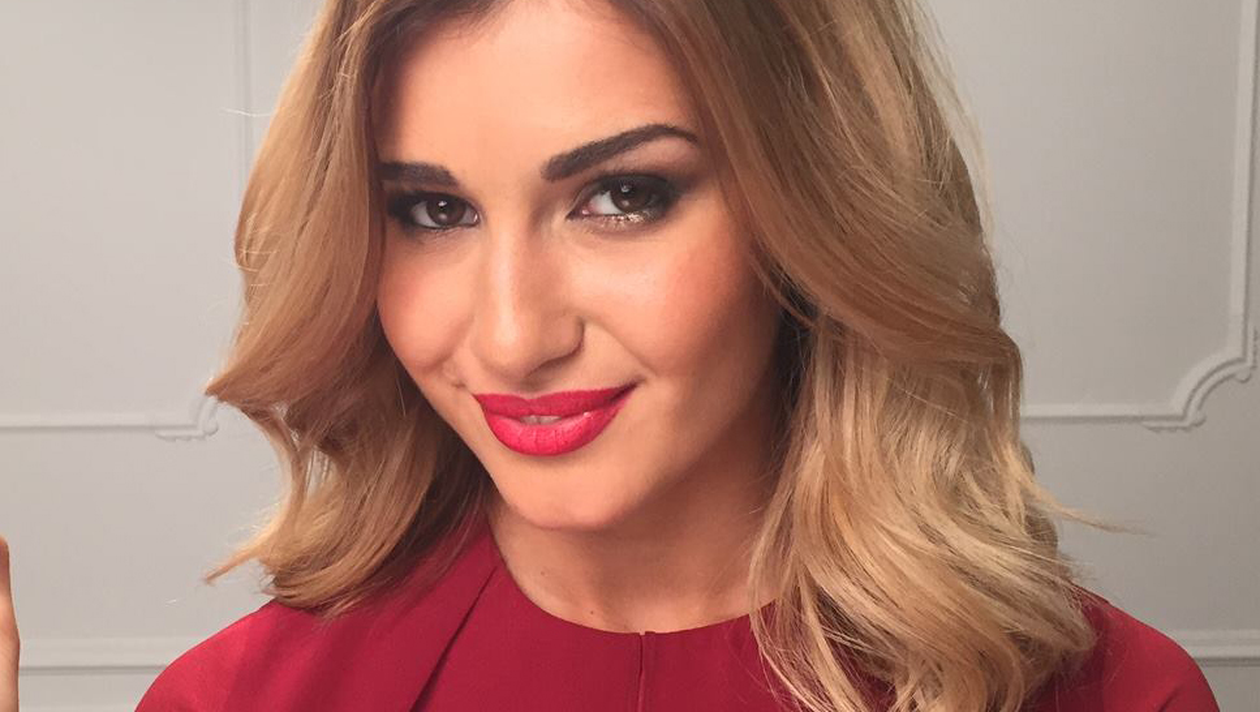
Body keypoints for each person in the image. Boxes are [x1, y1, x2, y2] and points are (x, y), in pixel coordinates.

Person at [0, 0, 1221, 709]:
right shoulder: (236, 702)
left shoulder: (1115, 696)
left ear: (815, 208)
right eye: (432, 209)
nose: (512, 335)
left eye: (624, 195)